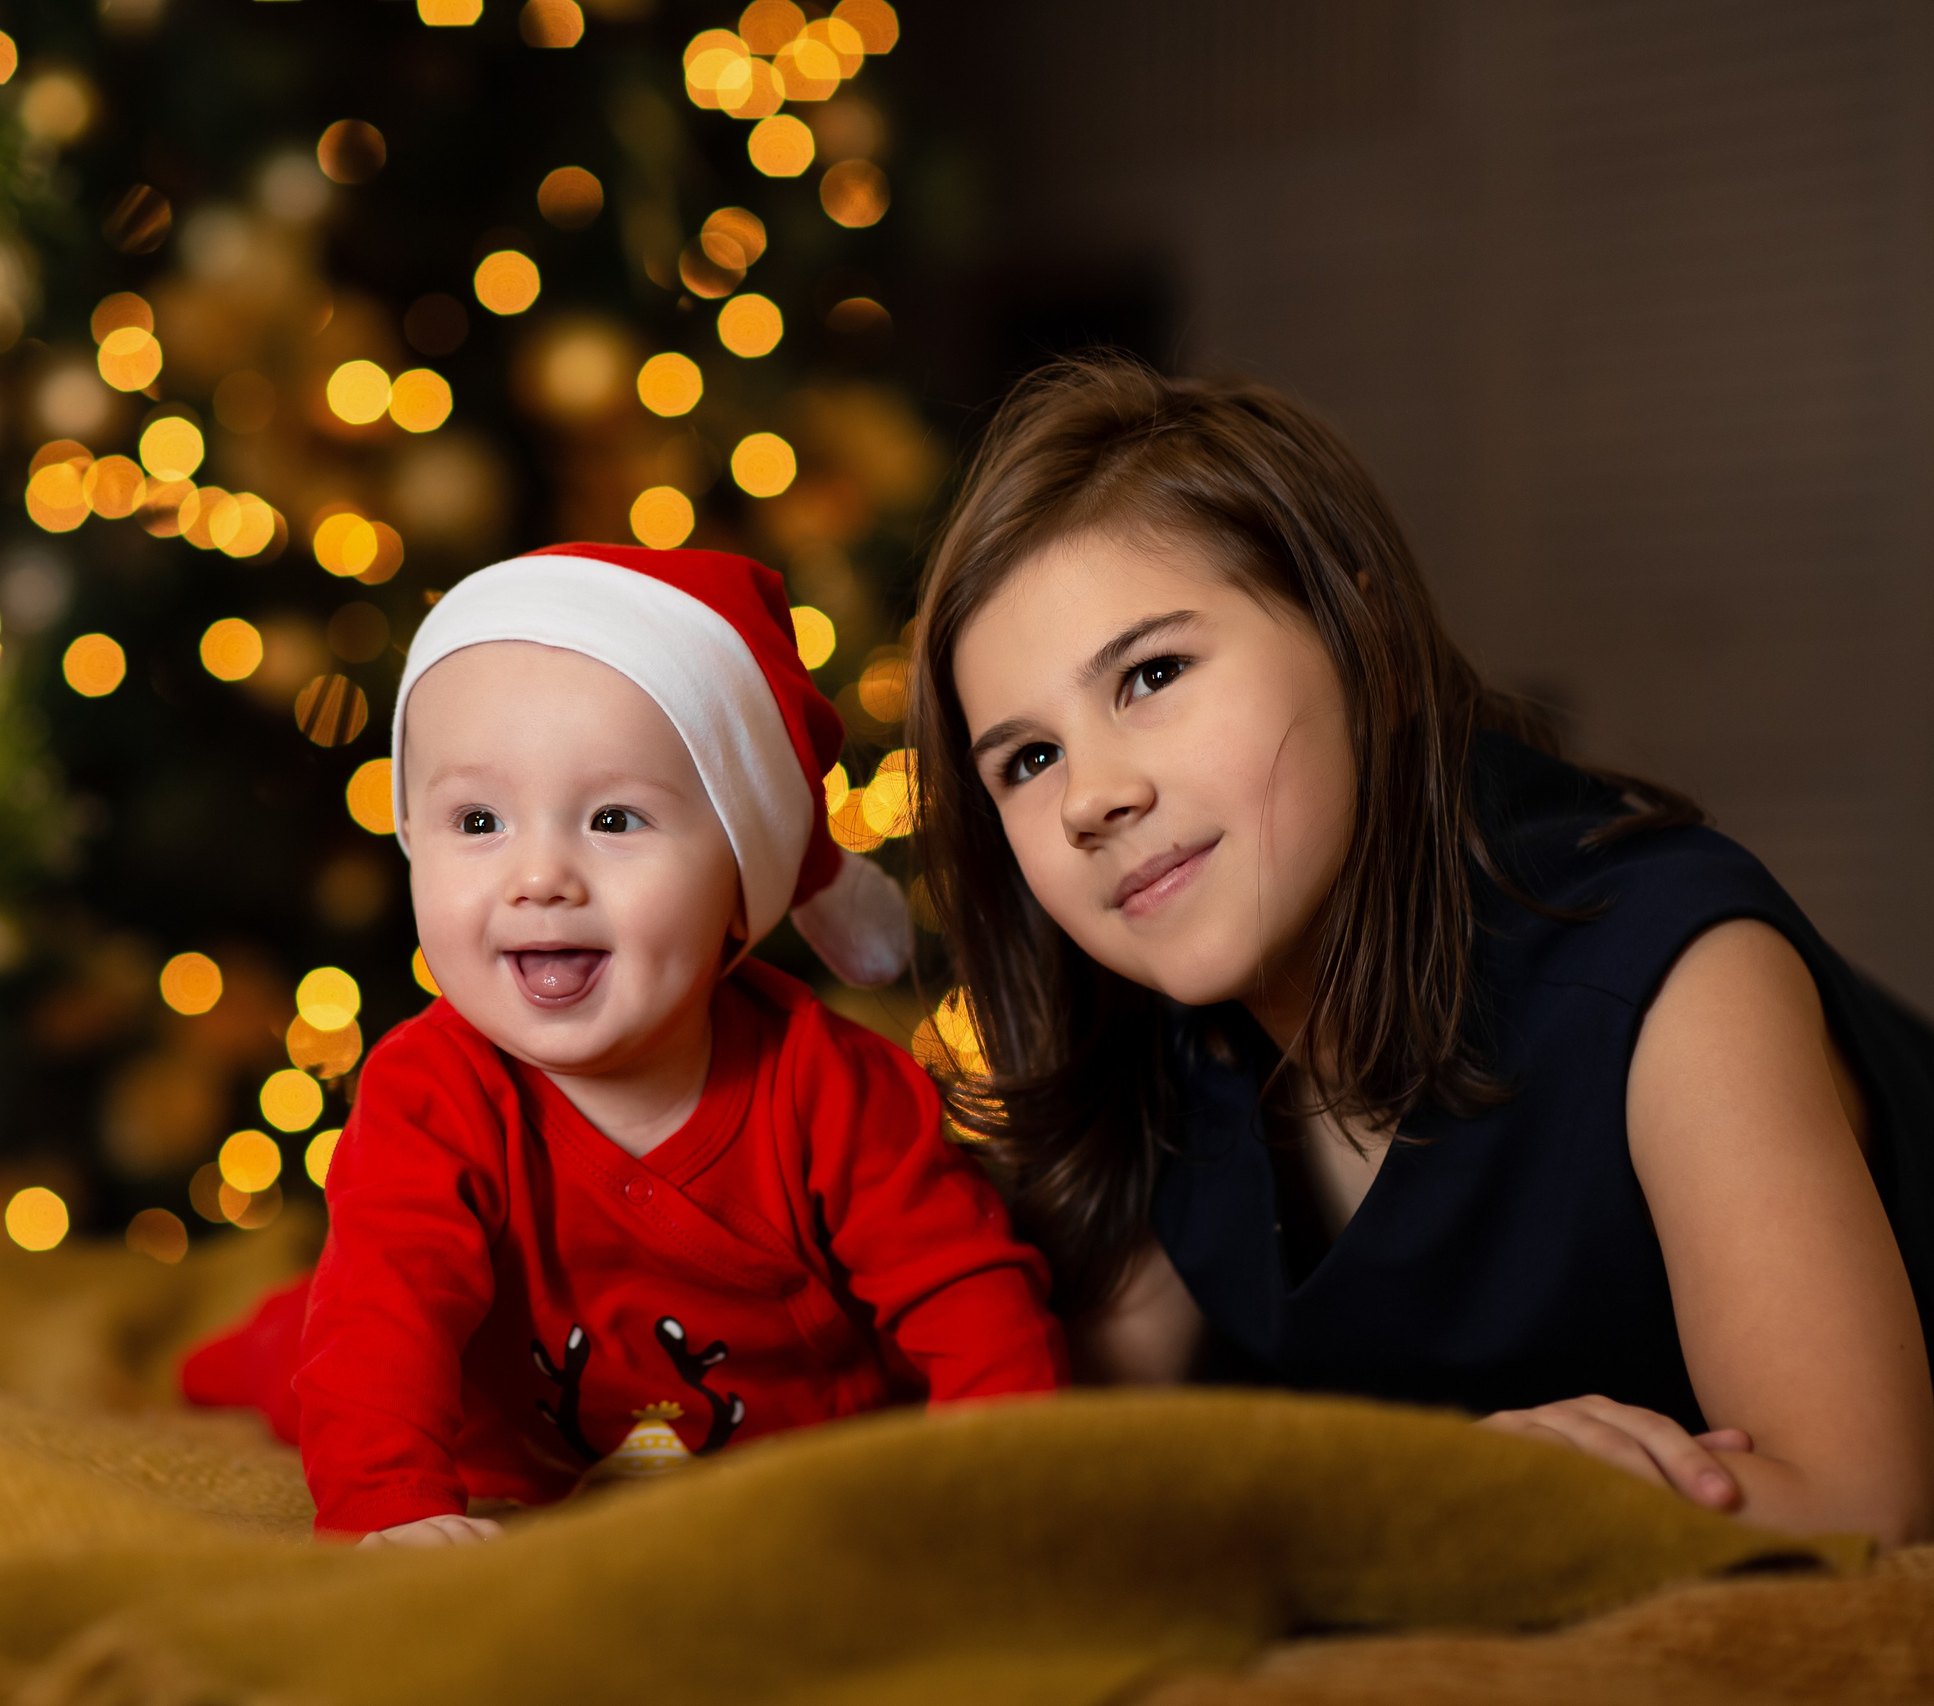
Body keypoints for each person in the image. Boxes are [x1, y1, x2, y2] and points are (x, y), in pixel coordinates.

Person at [908, 357, 1934, 1546]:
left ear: (1370, 647)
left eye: (1151, 674)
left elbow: (1867, 1503)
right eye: (1026, 760)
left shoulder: (1671, 977)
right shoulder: (1156, 1056)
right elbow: (1073, 1473)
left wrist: (1469, 1491)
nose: (1091, 794)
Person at [202, 542, 1067, 1546]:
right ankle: (232, 1349)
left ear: (740, 880)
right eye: (477, 819)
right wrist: (392, 1506)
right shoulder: (429, 1090)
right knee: (305, 1352)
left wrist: (1002, 1484)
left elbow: (969, 1297)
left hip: (798, 1451)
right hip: (512, 1447)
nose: (538, 876)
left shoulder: (834, 1086)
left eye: (614, 818)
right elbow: (382, 1320)